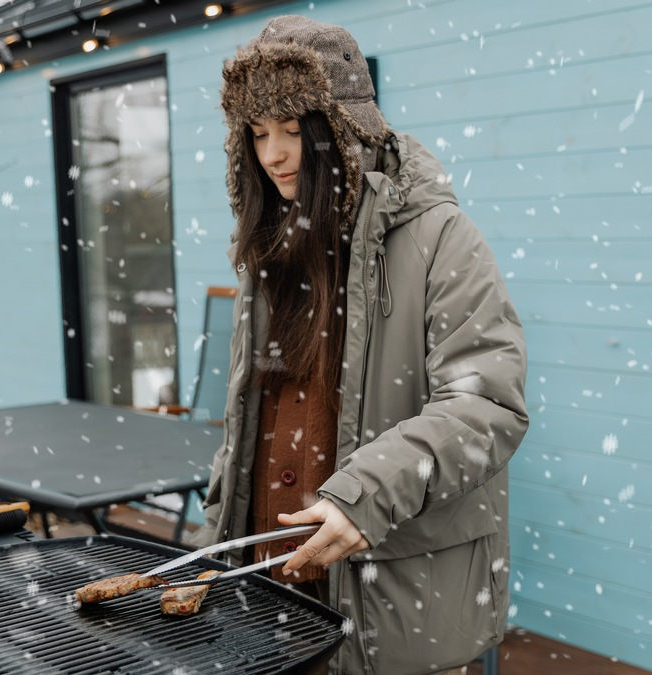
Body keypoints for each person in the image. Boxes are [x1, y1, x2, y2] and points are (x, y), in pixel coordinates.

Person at [193, 14, 528, 674]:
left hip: (391, 595)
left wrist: (365, 493)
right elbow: (246, 427)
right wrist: (213, 540)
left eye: (292, 129)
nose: (273, 154)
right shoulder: (270, 250)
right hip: (266, 586)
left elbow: (487, 406)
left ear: (343, 128)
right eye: (257, 133)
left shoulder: (440, 237)